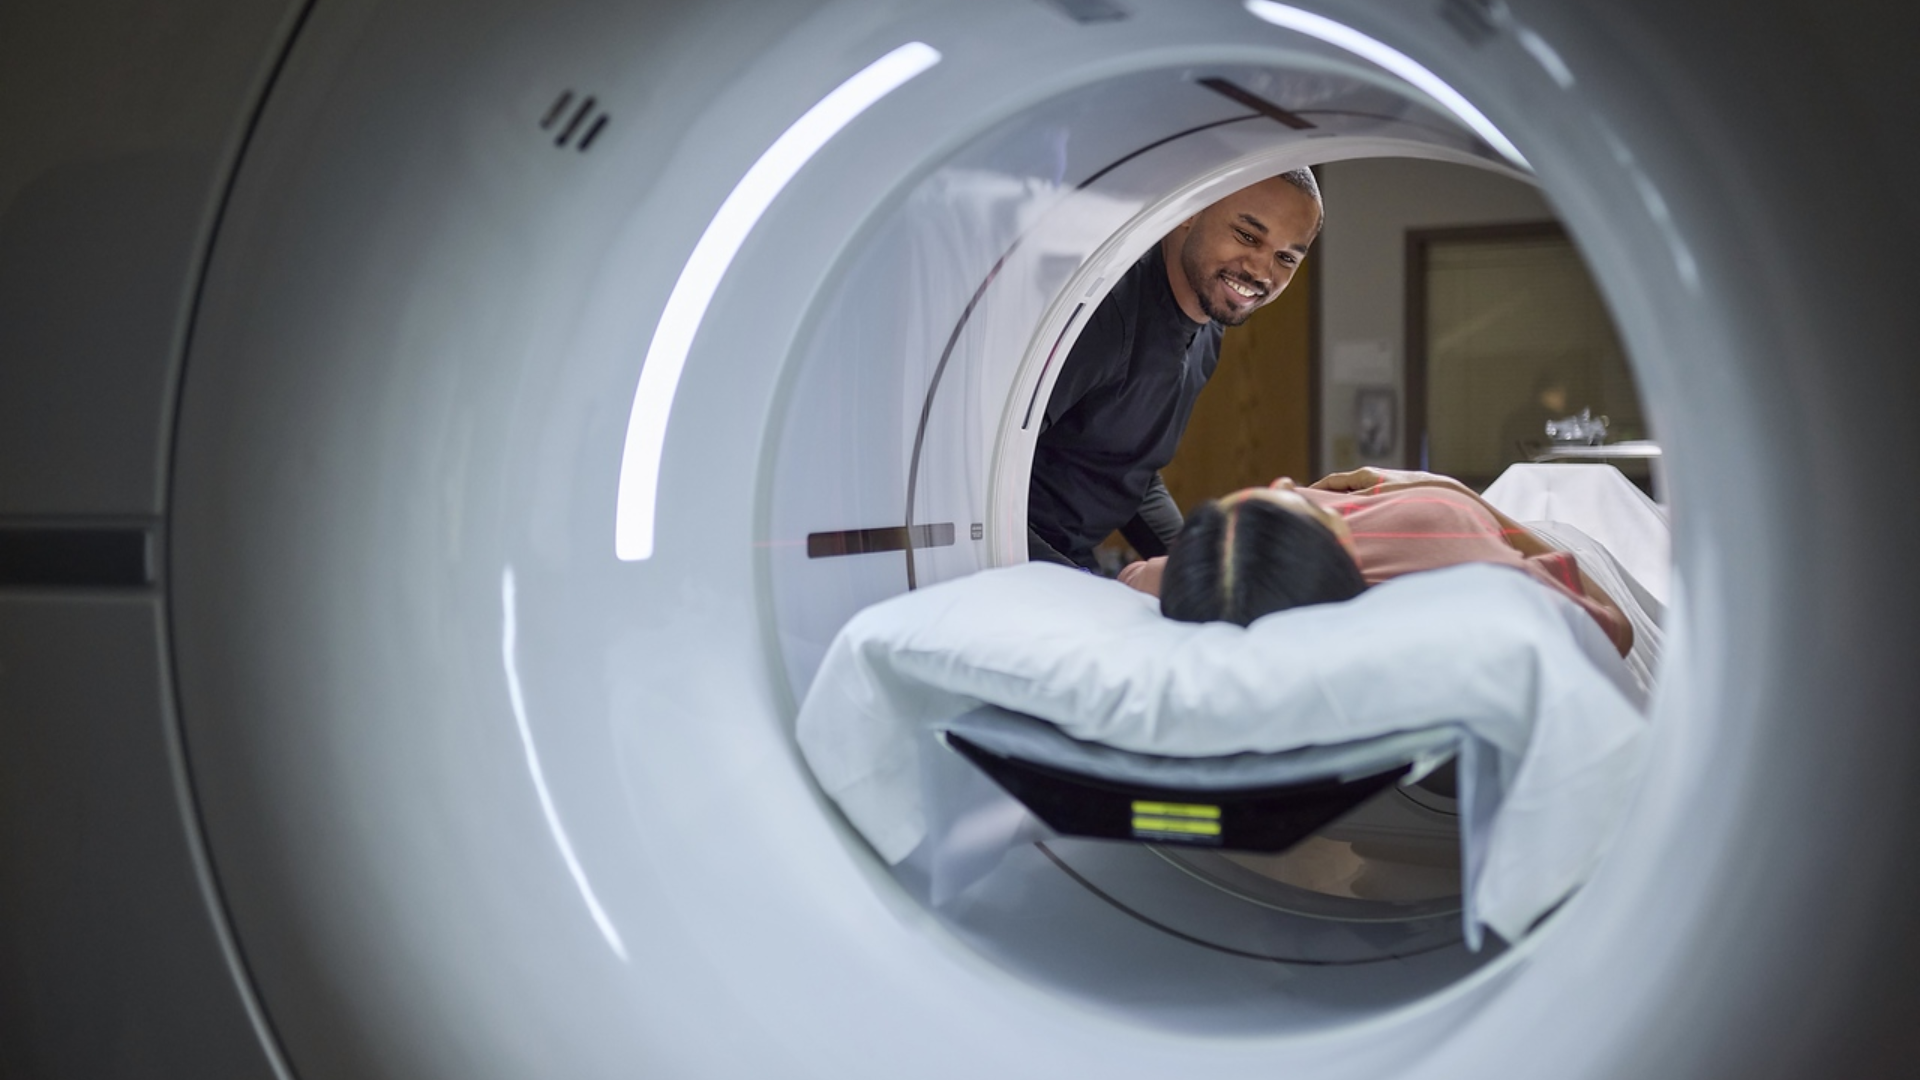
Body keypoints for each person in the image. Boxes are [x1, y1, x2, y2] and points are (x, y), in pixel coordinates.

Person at [1026, 169, 1323, 570]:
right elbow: (983, 476)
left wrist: (1202, 568)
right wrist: (1069, 585)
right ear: (1189, 210)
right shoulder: (1102, 314)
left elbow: (1132, 475)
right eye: (1248, 236)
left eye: (1286, 257)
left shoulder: (1207, 332)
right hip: (1010, 558)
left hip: (1068, 559)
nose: (1261, 271)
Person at [1118, 466, 1635, 656]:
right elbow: (1614, 629)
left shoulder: (1221, 572)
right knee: (1589, 483)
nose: (1286, 483)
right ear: (1337, 542)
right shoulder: (1447, 538)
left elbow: (1137, 577)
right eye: (1296, 501)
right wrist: (1457, 492)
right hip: (1538, 533)